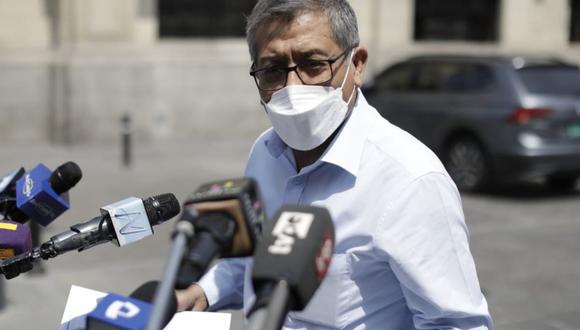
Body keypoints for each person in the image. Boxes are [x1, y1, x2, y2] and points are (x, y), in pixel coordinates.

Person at [177, 0, 493, 329]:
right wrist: (202, 293)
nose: (292, 88)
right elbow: (256, 260)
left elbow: (455, 324)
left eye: (313, 64)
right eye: (272, 70)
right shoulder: (264, 152)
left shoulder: (411, 180)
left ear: (356, 66)